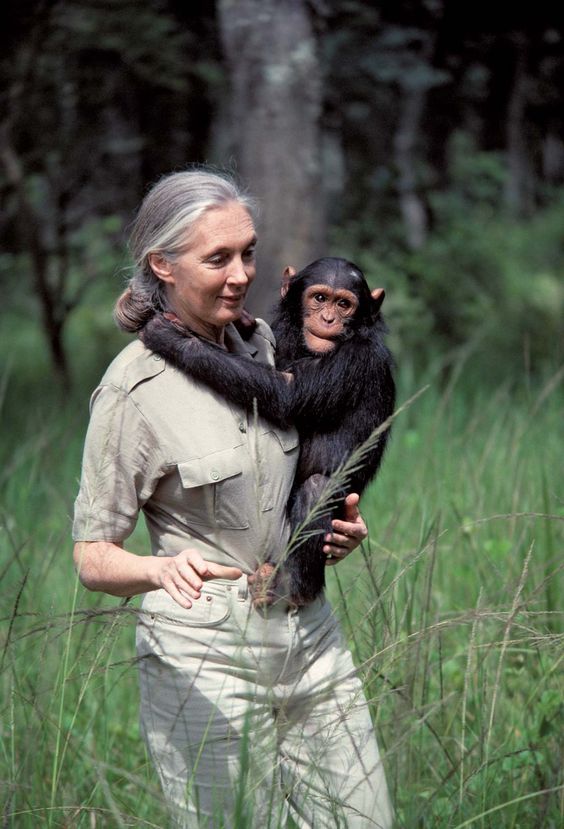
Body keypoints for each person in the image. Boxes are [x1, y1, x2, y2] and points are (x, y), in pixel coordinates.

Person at [72, 169, 393, 828]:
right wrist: (157, 568)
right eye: (218, 258)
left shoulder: (273, 343)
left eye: (248, 251)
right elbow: (91, 556)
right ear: (162, 264)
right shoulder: (133, 391)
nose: (242, 272)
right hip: (207, 656)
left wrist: (335, 526)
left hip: (311, 639)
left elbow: (318, 449)